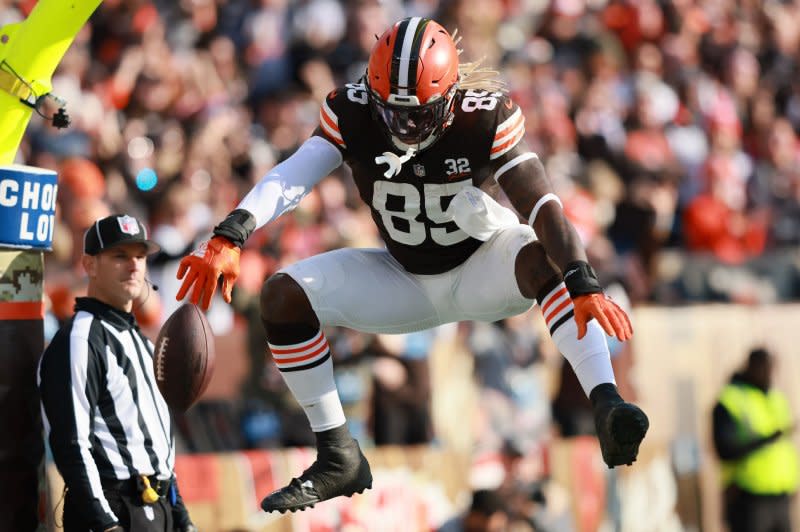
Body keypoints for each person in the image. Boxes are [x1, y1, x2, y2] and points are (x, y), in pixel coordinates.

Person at [175, 17, 649, 513]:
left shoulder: (482, 117)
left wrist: (584, 279)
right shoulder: (352, 111)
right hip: (402, 278)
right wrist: (233, 232)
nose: (404, 127)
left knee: (542, 253)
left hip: (482, 269)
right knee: (281, 295)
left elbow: (543, 205)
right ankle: (338, 452)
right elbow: (295, 173)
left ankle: (605, 403)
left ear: (450, 96)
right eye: (393, 112)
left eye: (418, 114)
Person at [38, 214, 195, 532]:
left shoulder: (142, 342)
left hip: (156, 506)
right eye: (120, 256)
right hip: (115, 508)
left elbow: (156, 443)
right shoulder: (80, 340)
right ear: (90, 264)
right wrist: (104, 521)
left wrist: (181, 517)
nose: (134, 265)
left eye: (140, 256)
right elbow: (71, 442)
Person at [712, 347, 798, 532]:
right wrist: (767, 439)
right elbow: (725, 450)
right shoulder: (730, 400)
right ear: (750, 367)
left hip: (781, 498)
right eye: (763, 367)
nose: (768, 373)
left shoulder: (776, 398)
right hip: (748, 500)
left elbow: (784, 449)